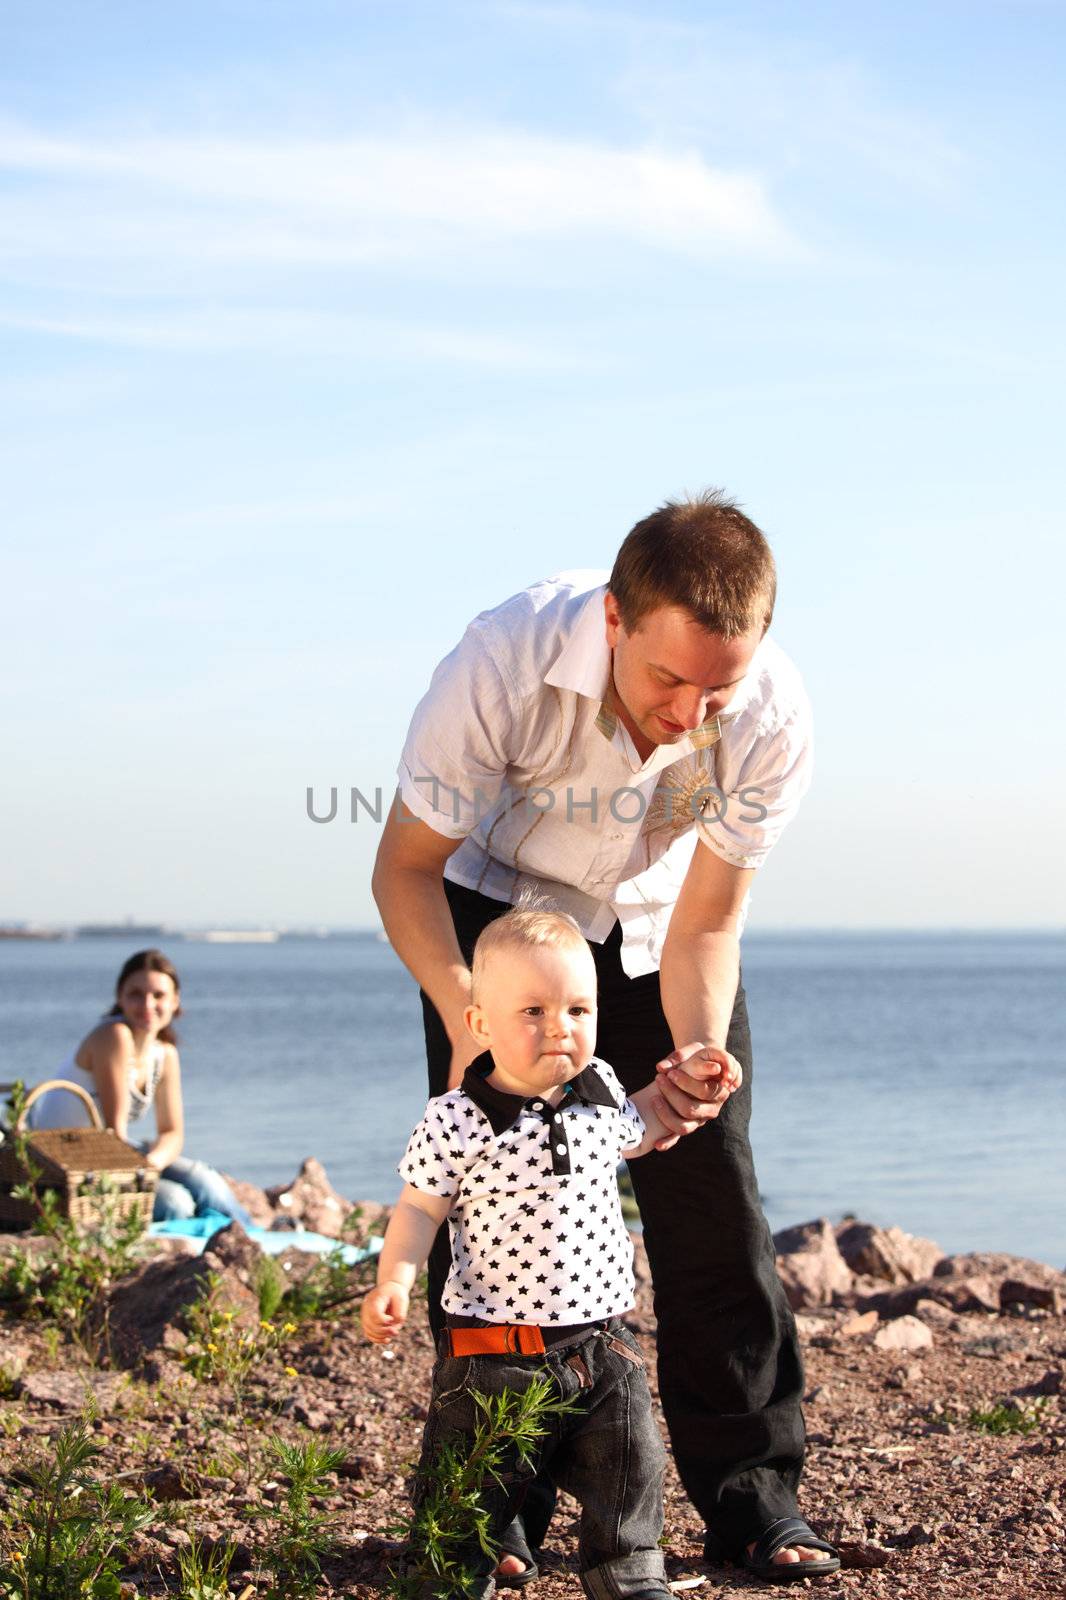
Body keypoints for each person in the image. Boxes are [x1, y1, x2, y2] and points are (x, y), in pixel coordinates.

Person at [371, 490, 839, 1583]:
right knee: (486, 1214)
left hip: (650, 932)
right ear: (615, 623)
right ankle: (497, 1512)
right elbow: (402, 869)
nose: (689, 713)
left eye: (716, 686)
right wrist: (470, 1020)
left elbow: (710, 919)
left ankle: (753, 1500)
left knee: (714, 1195)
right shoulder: (501, 659)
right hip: (494, 925)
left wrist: (696, 1045)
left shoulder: (771, 717)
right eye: (667, 679)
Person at [362, 906, 742, 1599]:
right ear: (481, 1026)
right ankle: (454, 1566)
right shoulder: (459, 1117)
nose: (560, 1027)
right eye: (532, 1010)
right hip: (493, 1347)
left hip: (602, 1341)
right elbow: (420, 1206)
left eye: (577, 1007)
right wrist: (395, 1278)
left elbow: (647, 1122)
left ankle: (624, 1568)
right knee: (474, 1467)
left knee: (631, 1464)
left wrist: (697, 1078)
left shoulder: (598, 1098)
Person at [28, 948, 251, 1226]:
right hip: (64, 1161)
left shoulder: (165, 1054)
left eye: (158, 995)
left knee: (205, 1179)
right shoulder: (114, 1036)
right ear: (119, 997)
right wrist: (143, 1173)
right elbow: (115, 1132)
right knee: (175, 1202)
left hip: (109, 1153)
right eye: (136, 994)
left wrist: (153, 1164)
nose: (147, 1004)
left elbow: (171, 1133)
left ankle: (254, 1236)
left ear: (175, 1001)